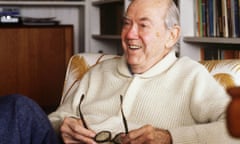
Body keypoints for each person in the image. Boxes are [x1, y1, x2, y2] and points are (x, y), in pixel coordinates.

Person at [48, 0, 239, 143]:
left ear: (171, 36)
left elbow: (234, 129)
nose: (130, 34)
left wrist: (170, 137)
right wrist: (61, 126)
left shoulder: (190, 75)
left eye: (143, 25)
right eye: (127, 23)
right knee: (20, 108)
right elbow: (54, 119)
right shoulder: (97, 72)